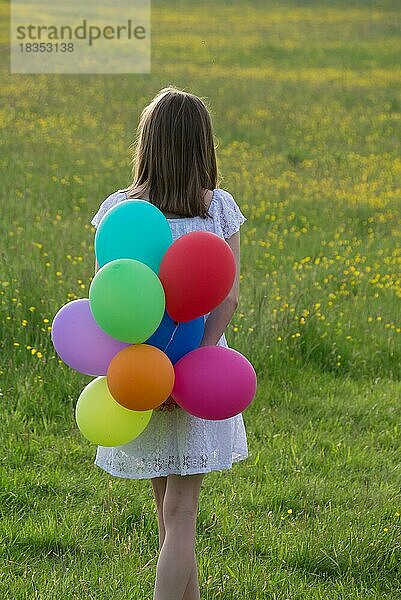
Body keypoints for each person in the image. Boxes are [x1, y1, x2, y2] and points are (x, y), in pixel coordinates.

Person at [90, 85, 249, 600]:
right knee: (180, 515)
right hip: (203, 371)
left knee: (168, 517)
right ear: (204, 146)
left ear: (147, 143)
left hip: (139, 372)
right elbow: (227, 299)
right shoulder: (217, 210)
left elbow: (107, 298)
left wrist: (158, 375)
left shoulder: (121, 210)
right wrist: (197, 360)